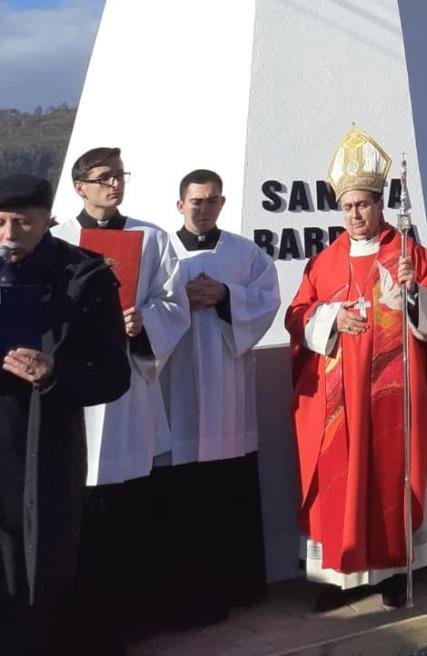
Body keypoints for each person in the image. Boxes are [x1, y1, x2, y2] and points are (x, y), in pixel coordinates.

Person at [286, 127, 427, 609]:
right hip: (338, 402)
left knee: (388, 477)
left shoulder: (409, 256)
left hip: (390, 395)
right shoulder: (324, 262)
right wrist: (332, 316)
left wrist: (410, 294)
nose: (356, 215)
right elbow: (297, 316)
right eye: (348, 206)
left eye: (364, 204)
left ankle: (395, 571)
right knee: (338, 479)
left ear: (380, 203)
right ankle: (339, 576)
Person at [52, 146, 190, 647]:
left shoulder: (152, 238)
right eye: (104, 177)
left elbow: (173, 305)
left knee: (132, 504)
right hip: (78, 390)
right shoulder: (58, 239)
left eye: (120, 176)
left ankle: (135, 614)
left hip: (129, 388)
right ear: (79, 187)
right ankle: (81, 619)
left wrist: (141, 324)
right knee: (80, 505)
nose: (115, 184)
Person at [0, 174, 130, 655]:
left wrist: (56, 373)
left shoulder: (85, 276)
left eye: (22, 223)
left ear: (47, 220)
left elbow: (115, 375)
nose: (9, 235)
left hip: (43, 453)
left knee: (42, 580)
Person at [158, 169, 280, 625]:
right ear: (180, 204)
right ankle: (184, 595)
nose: (203, 209)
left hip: (227, 385)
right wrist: (177, 301)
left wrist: (227, 295)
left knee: (228, 489)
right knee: (181, 495)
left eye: (212, 201)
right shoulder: (161, 251)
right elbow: (145, 305)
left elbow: (268, 300)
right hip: (177, 385)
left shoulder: (244, 253)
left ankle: (238, 586)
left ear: (223, 204)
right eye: (196, 201)